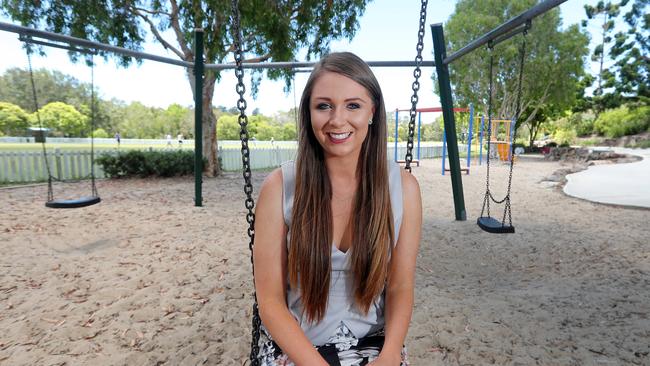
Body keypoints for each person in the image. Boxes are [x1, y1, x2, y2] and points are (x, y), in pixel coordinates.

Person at [253, 52, 422, 365]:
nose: (337, 120)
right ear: (309, 113)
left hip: (372, 345)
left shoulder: (404, 189)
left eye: (353, 105)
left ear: (372, 110)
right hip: (296, 345)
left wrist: (390, 354)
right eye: (324, 105)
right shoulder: (279, 188)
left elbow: (399, 286)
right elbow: (270, 301)